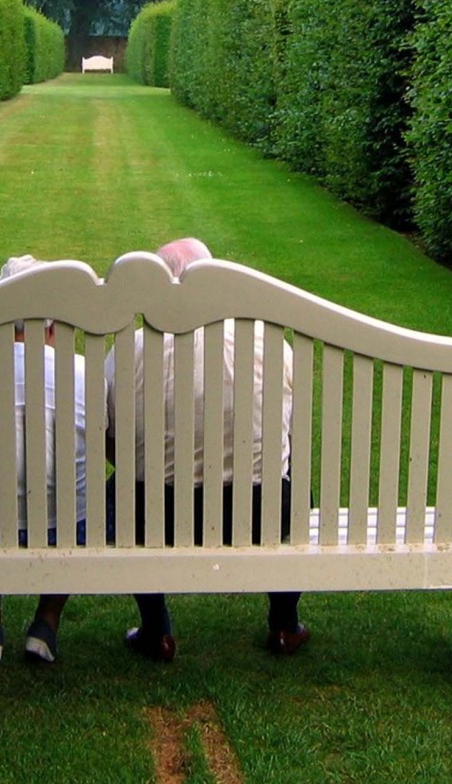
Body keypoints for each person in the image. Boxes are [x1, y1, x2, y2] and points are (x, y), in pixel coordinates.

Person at [106, 237, 308, 662]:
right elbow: (288, 436)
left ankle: (156, 629)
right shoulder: (270, 343)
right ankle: (285, 625)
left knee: (120, 488)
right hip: (258, 512)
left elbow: (112, 439)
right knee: (294, 484)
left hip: (154, 515)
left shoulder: (132, 347)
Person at [0, 255, 88, 666]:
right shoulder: (81, 370)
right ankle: (45, 624)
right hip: (63, 530)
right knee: (77, 503)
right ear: (52, 323)